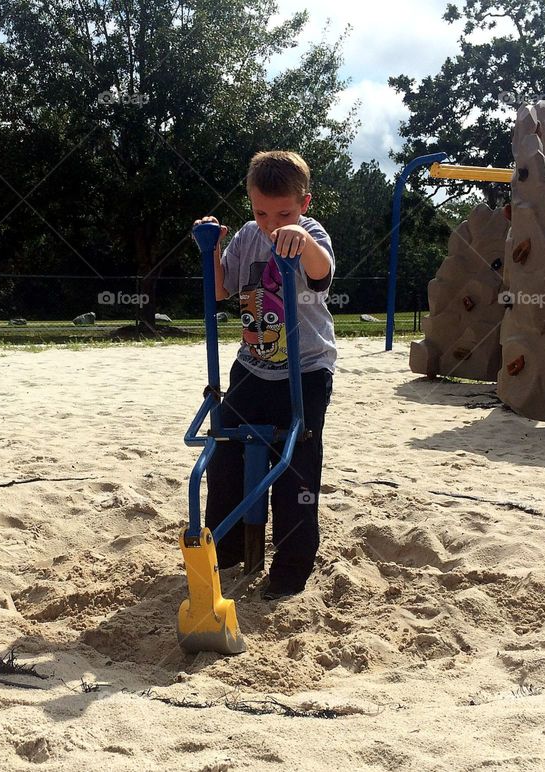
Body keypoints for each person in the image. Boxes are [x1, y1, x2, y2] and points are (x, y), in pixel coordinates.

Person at [193, 150, 336, 601]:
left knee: (296, 471)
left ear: (304, 204)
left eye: (284, 213)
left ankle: (290, 571)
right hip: (253, 368)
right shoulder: (250, 238)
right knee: (225, 456)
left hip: (305, 371)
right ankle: (228, 548)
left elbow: (322, 273)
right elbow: (220, 289)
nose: (273, 223)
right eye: (261, 212)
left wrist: (302, 238)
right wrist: (212, 248)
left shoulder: (309, 233)